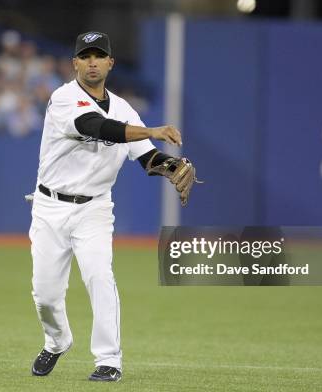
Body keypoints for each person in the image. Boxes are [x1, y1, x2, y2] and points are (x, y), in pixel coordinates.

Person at [29, 31, 199, 382]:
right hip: (50, 207)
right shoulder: (63, 98)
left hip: (94, 209)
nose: (92, 61)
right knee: (45, 295)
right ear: (74, 63)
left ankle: (109, 360)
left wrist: (172, 167)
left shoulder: (123, 107)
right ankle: (57, 341)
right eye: (85, 55)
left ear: (110, 63)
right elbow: (98, 127)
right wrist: (152, 128)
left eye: (99, 55)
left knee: (99, 276)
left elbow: (146, 157)